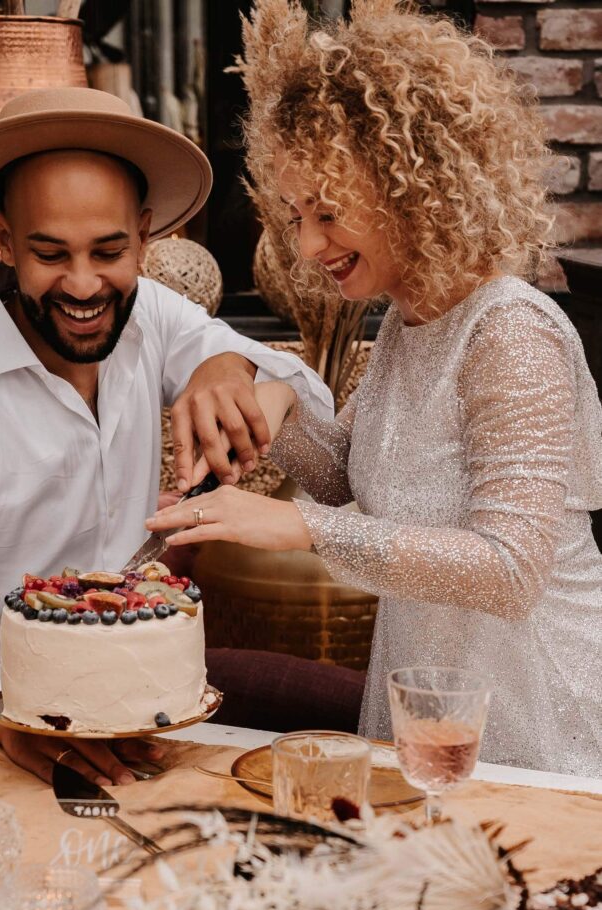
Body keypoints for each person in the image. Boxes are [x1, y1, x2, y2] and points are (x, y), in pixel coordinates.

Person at [147, 0, 602, 776]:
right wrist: (277, 402)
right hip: (435, 707)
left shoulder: (507, 332)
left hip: (532, 716)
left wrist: (304, 529)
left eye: (327, 212)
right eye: (294, 214)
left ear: (412, 185)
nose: (307, 244)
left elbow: (508, 568)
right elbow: (349, 474)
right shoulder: (406, 320)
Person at [0, 87, 331, 786]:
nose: (83, 285)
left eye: (109, 251)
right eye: (49, 253)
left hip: (148, 717)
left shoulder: (159, 319)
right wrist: (5, 716)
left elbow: (315, 400)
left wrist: (230, 367)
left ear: (145, 235)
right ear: (5, 237)